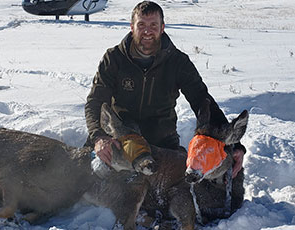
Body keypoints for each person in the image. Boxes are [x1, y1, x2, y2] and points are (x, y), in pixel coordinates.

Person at [84, 1, 245, 178]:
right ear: (132, 27)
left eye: (153, 25)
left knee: (178, 187)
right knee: (83, 176)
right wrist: (98, 137)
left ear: (162, 28)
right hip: (119, 136)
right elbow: (96, 101)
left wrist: (232, 145)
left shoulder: (178, 62)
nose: (147, 31)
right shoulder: (114, 58)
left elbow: (202, 100)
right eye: (141, 25)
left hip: (162, 141)